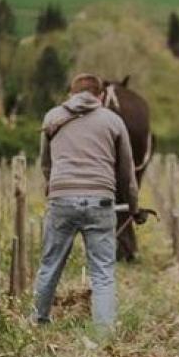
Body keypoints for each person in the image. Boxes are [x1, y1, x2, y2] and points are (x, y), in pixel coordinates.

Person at [32, 73, 138, 330]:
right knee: (102, 272)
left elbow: (46, 163)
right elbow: (126, 171)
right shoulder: (113, 120)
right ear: (100, 95)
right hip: (100, 201)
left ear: (71, 94)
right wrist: (133, 205)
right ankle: (104, 334)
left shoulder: (52, 117)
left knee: (49, 265)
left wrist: (55, 188)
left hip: (61, 198)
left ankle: (39, 322)